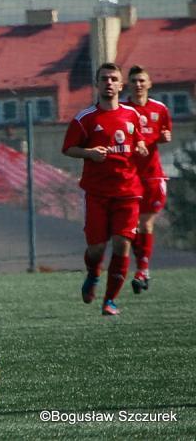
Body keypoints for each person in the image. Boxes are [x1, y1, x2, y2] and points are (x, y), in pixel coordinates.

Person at [62, 63, 148, 316]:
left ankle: (110, 300)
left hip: (128, 192)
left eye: (113, 79)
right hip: (97, 194)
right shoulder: (85, 118)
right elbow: (67, 149)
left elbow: (138, 138)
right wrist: (89, 153)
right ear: (97, 85)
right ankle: (92, 273)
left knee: (122, 245)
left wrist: (141, 146)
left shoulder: (132, 115)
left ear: (121, 85)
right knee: (97, 249)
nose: (109, 83)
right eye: (104, 79)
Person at [120, 66, 172, 294]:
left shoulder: (159, 108)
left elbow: (165, 133)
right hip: (127, 176)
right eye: (134, 81)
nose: (138, 84)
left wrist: (164, 138)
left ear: (149, 84)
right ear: (128, 85)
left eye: (142, 80)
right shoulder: (122, 110)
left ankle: (142, 270)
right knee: (129, 229)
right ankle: (141, 269)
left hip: (152, 176)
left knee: (145, 224)